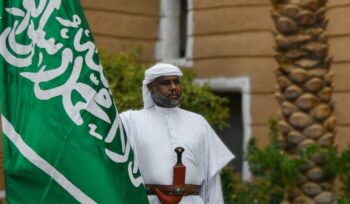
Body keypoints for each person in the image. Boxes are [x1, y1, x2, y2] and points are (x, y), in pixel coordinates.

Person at [120, 63, 234, 204]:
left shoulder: (198, 122)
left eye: (176, 82)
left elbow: (212, 177)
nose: (173, 87)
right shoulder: (130, 121)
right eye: (166, 83)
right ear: (150, 87)